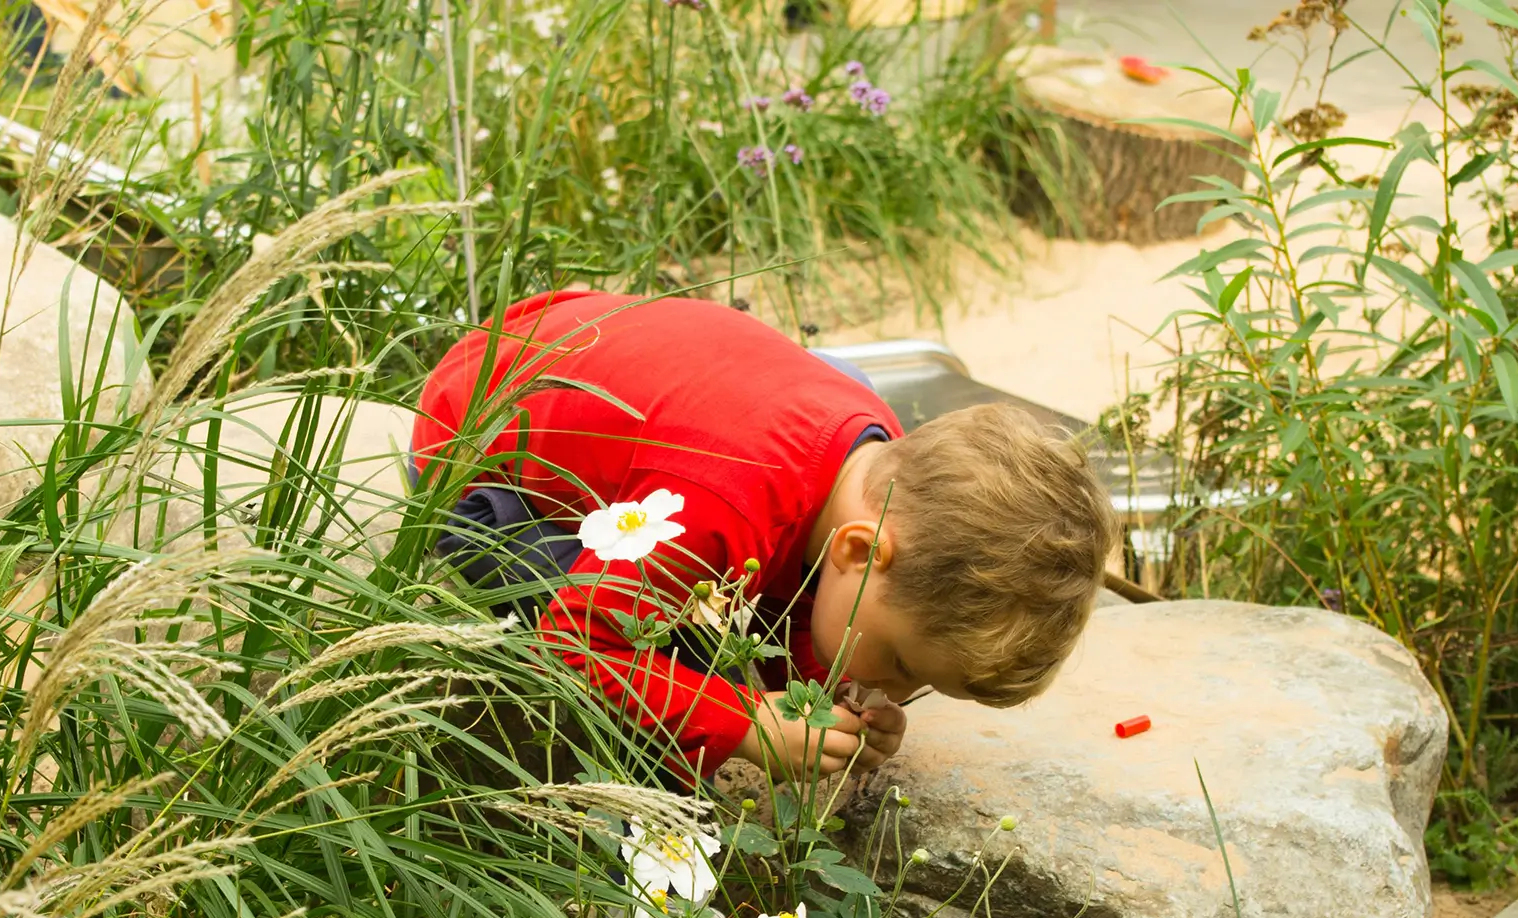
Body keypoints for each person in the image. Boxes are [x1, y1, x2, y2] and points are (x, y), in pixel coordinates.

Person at [413, 290, 1118, 784]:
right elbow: (577, 641)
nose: (892, 689)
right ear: (859, 550)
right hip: (471, 424)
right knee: (671, 638)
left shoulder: (886, 476)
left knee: (839, 382)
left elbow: (817, 583)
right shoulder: (724, 495)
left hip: (602, 340)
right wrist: (746, 722)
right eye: (903, 662)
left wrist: (818, 701)